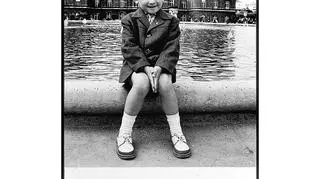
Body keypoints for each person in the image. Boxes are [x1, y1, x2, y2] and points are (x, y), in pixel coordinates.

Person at [116, 0, 191, 160]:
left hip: (161, 66)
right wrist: (144, 66)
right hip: (135, 65)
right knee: (142, 83)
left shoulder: (172, 21)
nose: (152, 1)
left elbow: (172, 47)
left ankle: (177, 133)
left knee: (165, 83)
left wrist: (159, 66)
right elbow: (128, 46)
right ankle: (124, 134)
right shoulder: (129, 19)